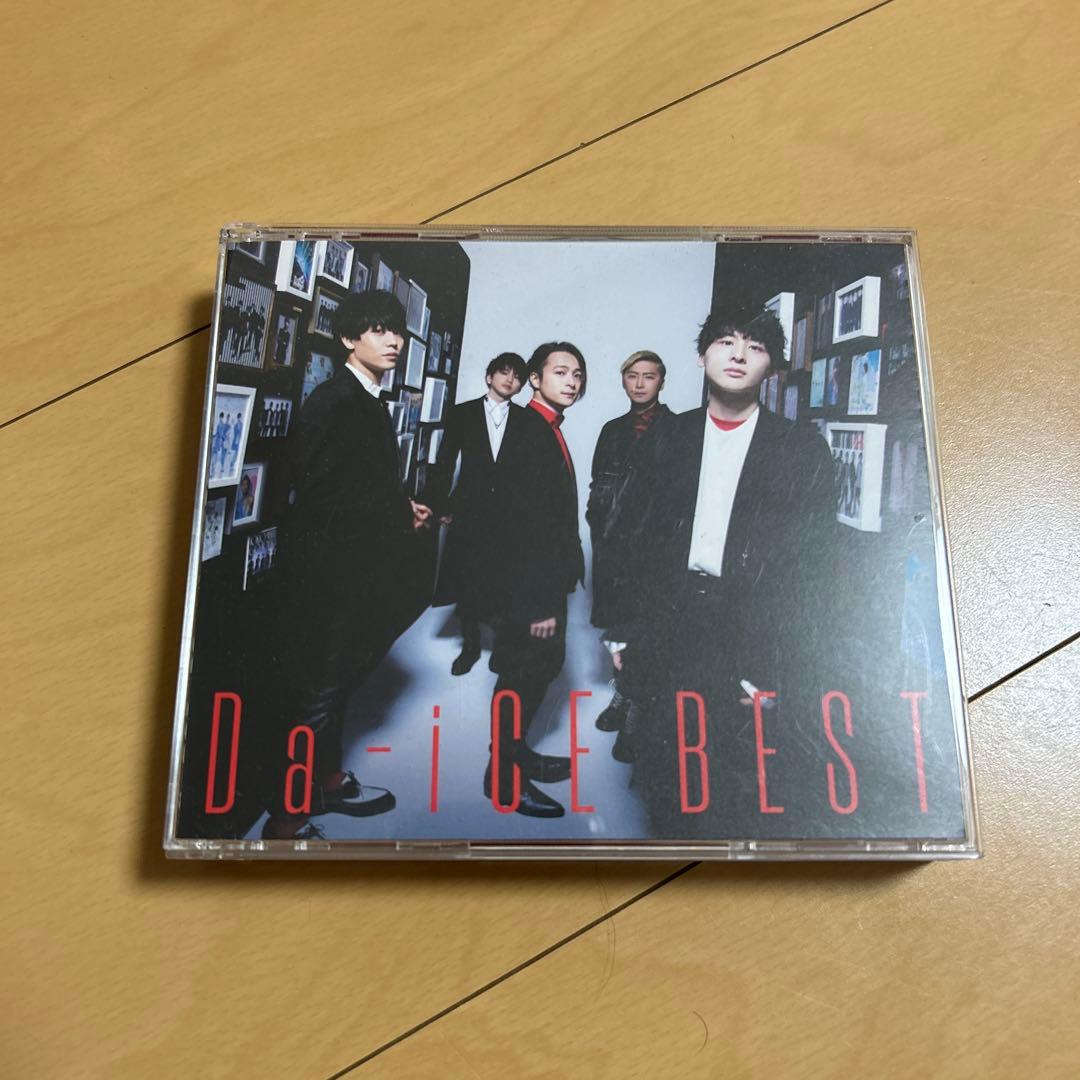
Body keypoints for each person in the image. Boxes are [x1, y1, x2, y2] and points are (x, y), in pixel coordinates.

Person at [619, 305, 839, 837]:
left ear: (772, 366)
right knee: (664, 761)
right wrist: (622, 629)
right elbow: (632, 537)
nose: (739, 354)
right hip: (669, 613)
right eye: (725, 342)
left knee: (726, 772)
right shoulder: (668, 436)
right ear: (702, 357)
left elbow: (813, 569)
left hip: (746, 624)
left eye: (755, 346)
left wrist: (773, 666)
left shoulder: (800, 448)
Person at [262, 290, 433, 840]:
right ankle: (286, 821)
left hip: (352, 575)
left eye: (397, 330)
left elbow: (360, 482)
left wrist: (401, 505)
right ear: (348, 338)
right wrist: (397, 515)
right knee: (318, 694)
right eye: (379, 330)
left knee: (331, 690)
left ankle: (328, 783)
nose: (394, 340)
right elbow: (319, 499)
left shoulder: (365, 399)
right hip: (329, 580)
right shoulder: (335, 400)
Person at [485, 342, 587, 818]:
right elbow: (523, 529)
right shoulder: (527, 430)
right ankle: (503, 777)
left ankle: (516, 755)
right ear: (534, 379)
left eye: (578, 374)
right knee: (521, 675)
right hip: (532, 589)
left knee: (534, 671)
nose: (572, 382)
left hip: (540, 583)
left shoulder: (543, 427)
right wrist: (539, 603)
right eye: (561, 372)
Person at [586, 349, 676, 758]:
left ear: (662, 382)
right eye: (633, 376)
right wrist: (599, 526)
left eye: (649, 376)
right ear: (623, 381)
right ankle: (622, 695)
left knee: (650, 626)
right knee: (620, 625)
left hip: (658, 546)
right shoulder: (612, 429)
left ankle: (637, 711)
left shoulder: (678, 429)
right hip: (616, 543)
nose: (640, 384)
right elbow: (598, 485)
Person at [423, 352, 528, 675]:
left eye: (517, 376)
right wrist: (441, 505)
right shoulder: (463, 413)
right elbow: (445, 462)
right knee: (467, 580)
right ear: (489, 377)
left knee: (505, 580)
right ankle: (470, 647)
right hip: (469, 509)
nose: (509, 380)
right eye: (504, 372)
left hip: (509, 513)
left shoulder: (525, 419)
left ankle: (500, 649)